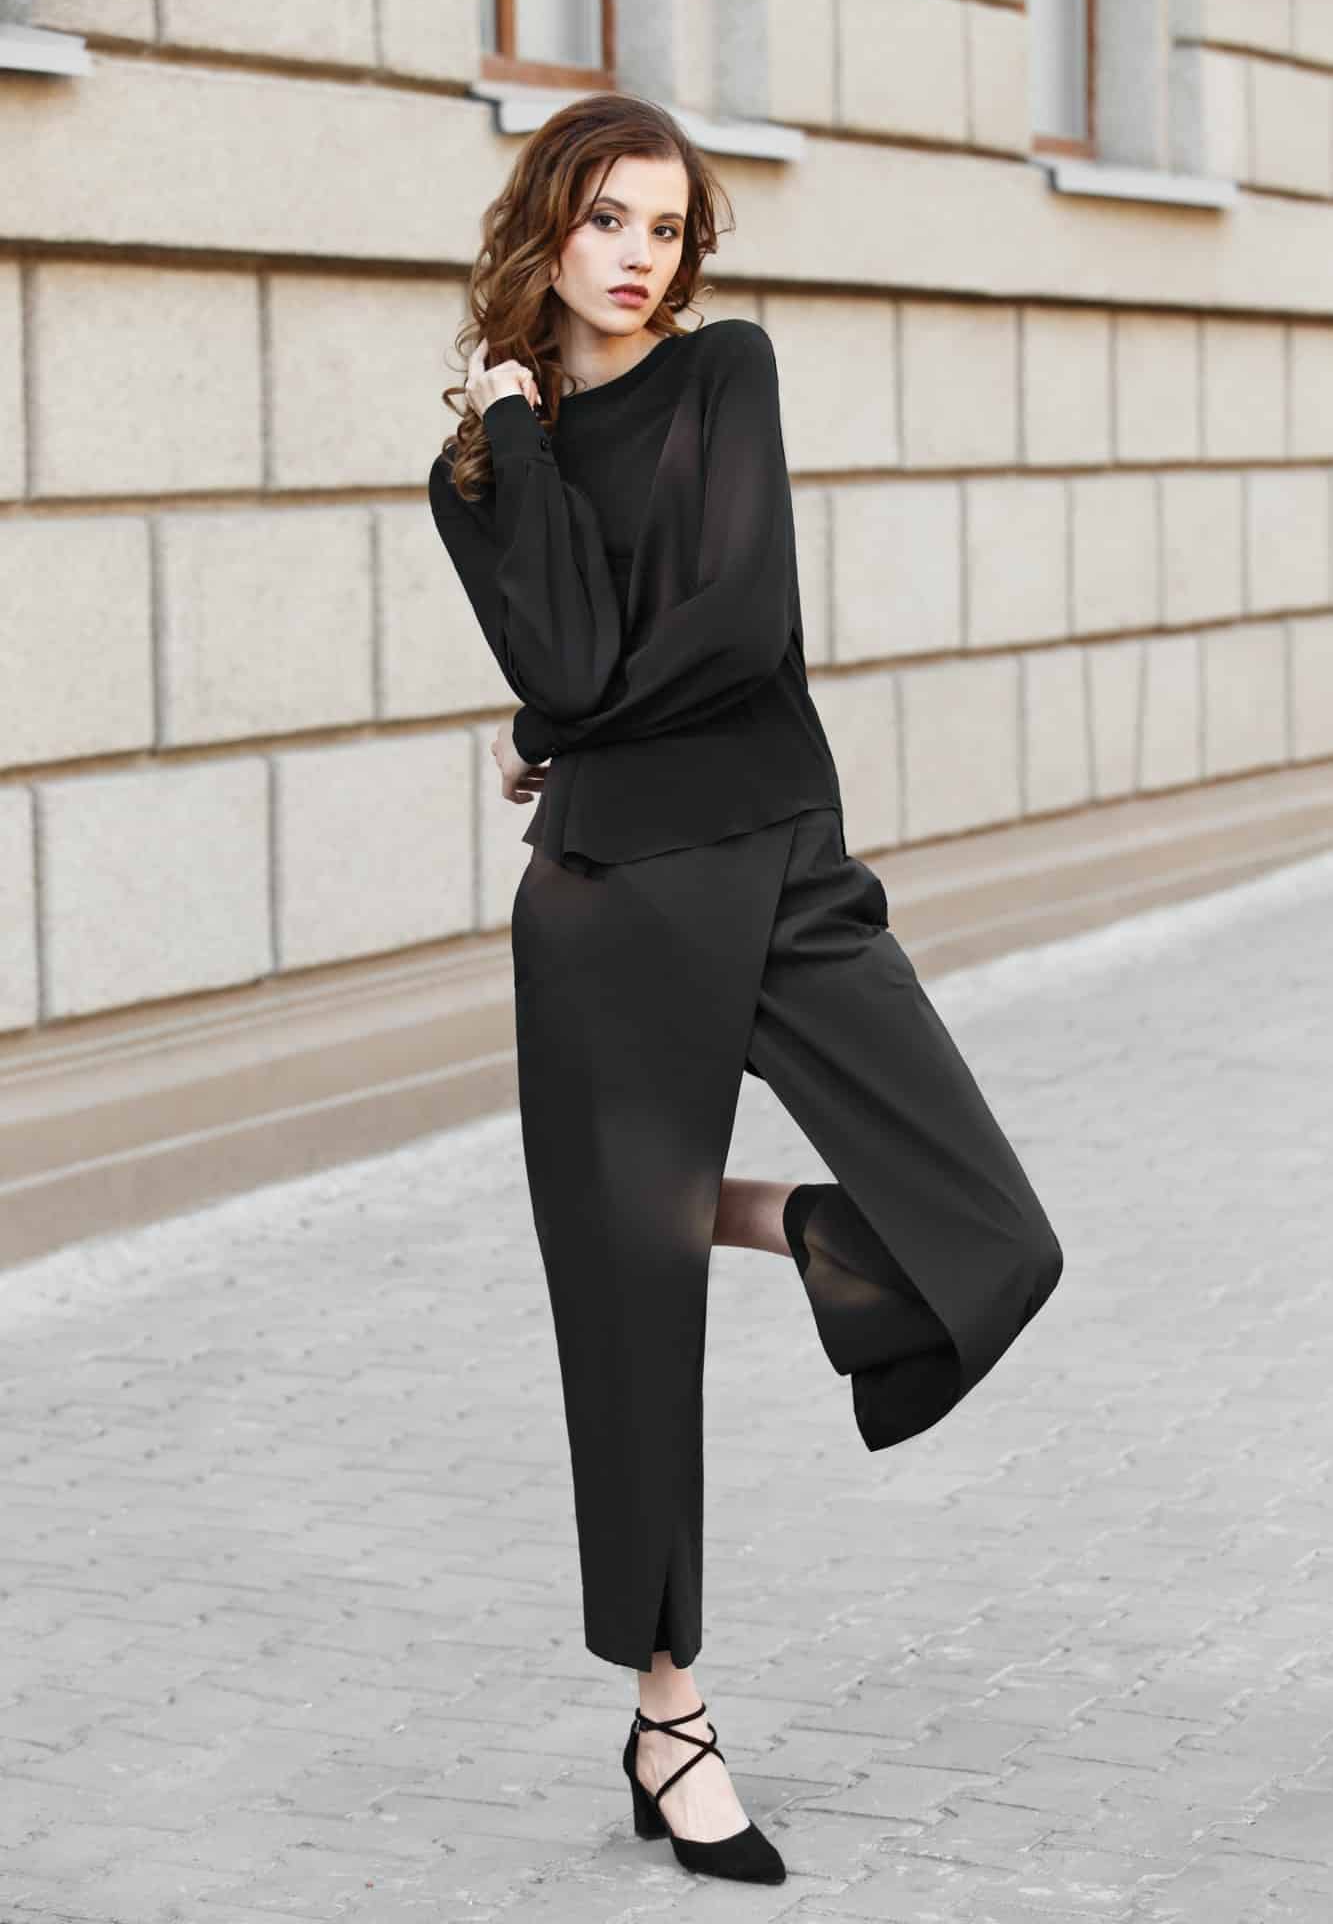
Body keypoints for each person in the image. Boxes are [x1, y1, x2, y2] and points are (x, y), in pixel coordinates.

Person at [427, 92, 1064, 1888]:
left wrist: (552, 730)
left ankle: (778, 1224)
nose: (642, 255)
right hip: (611, 901)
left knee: (995, 1237)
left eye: (667, 226)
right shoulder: (482, 467)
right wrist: (515, 439)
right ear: (545, 224)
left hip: (779, 861)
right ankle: (669, 1718)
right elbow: (562, 634)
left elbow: (725, 630)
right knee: (628, 1337)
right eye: (610, 220)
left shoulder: (729, 380)